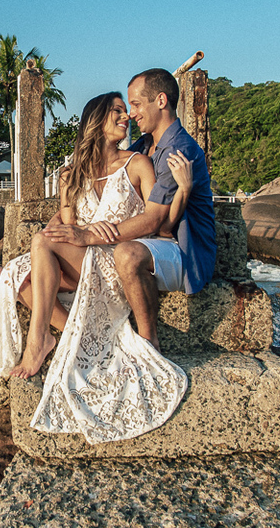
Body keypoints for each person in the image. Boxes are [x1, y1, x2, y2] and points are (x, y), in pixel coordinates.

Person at [0, 91, 193, 444]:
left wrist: (183, 191)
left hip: (116, 260)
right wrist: (71, 214)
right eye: (117, 111)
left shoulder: (137, 164)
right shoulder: (73, 174)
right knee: (13, 275)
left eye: (127, 112)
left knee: (40, 244)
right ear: (95, 120)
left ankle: (37, 342)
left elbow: (157, 226)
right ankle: (62, 332)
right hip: (83, 257)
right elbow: (68, 225)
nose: (126, 117)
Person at [43, 68, 216, 348]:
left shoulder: (176, 150)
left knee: (125, 254)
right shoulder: (147, 144)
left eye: (135, 105)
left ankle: (148, 341)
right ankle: (65, 333)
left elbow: (158, 224)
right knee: (47, 252)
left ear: (160, 101)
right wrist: (62, 220)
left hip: (186, 249)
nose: (131, 114)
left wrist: (87, 235)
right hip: (152, 242)